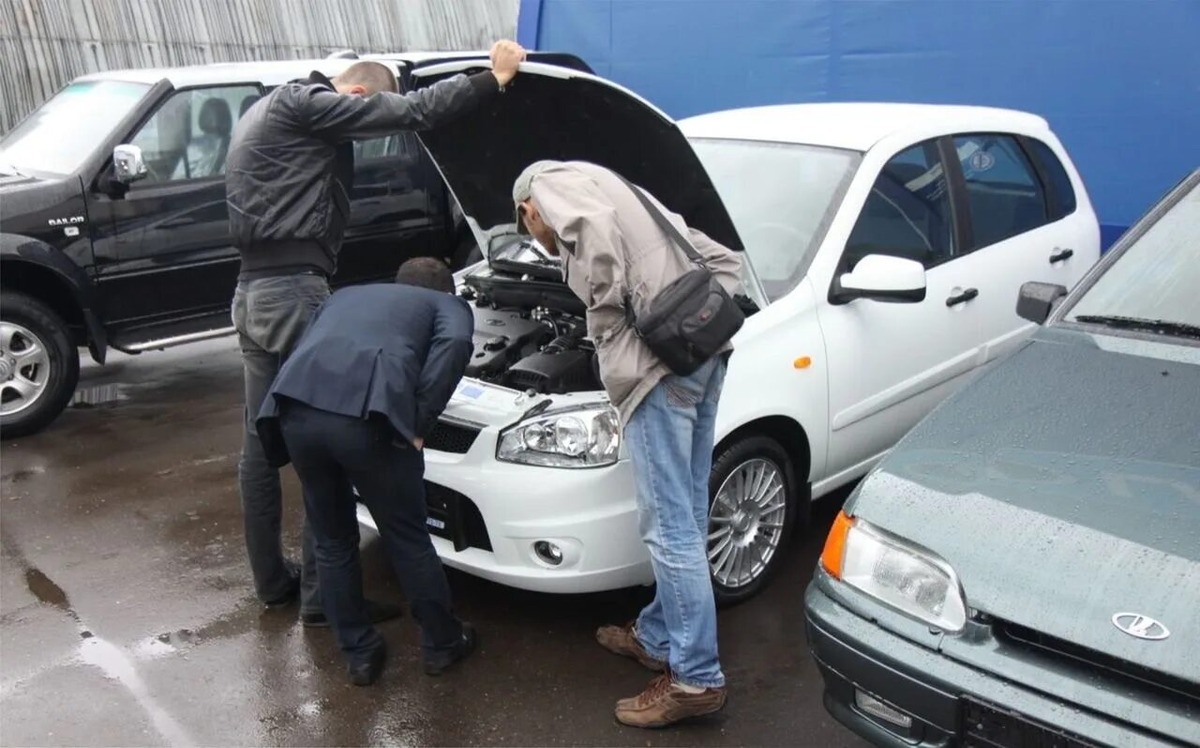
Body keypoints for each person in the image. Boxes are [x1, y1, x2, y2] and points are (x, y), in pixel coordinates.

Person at [225, 40, 526, 623]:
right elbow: (413, 112)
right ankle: (323, 600)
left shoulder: (262, 113)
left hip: (252, 292)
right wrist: (494, 80)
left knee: (261, 450)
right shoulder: (306, 104)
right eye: (364, 117)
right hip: (293, 293)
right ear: (357, 95)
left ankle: (273, 582)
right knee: (329, 442)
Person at [510, 160, 743, 727]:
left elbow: (592, 240)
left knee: (667, 527)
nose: (543, 245)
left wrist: (612, 326)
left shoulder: (547, 185)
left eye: (534, 235)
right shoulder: (630, 192)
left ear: (527, 211)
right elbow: (721, 260)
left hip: (658, 371)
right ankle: (658, 635)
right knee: (684, 510)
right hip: (703, 355)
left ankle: (695, 678)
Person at [253, 257, 477, 686]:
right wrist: (417, 421)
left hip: (296, 411)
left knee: (333, 540)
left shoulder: (349, 295)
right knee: (407, 537)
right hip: (367, 420)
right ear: (446, 290)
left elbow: (311, 345)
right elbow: (453, 347)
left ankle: (359, 653)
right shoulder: (446, 305)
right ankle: (442, 644)